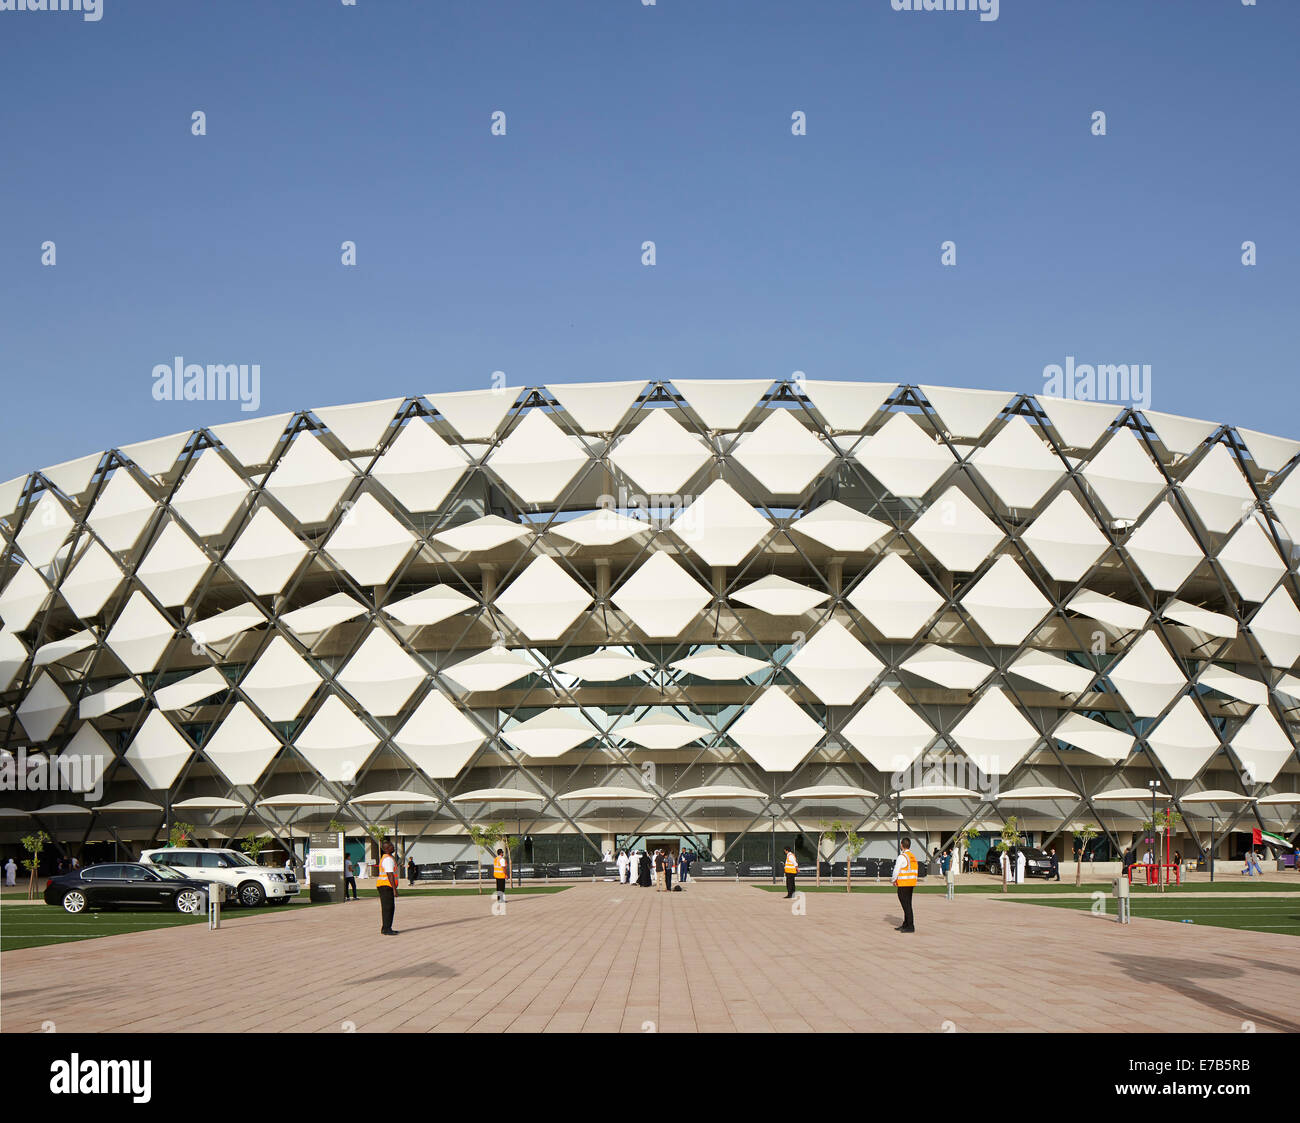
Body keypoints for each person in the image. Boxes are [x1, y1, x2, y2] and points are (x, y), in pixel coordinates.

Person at [892, 836, 918, 933]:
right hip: (911, 883)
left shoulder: (902, 857)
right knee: (908, 904)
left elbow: (896, 870)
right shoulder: (912, 857)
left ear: (901, 845)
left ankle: (910, 926)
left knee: (906, 906)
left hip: (903, 884)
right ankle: (906, 924)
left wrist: (893, 880)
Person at [376, 839, 399, 935]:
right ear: (386, 849)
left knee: (389, 907)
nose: (393, 847)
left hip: (385, 886)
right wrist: (394, 889)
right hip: (386, 886)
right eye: (390, 846)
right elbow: (390, 874)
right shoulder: (388, 859)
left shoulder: (387, 857)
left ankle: (386, 927)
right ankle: (386, 929)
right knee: (388, 908)